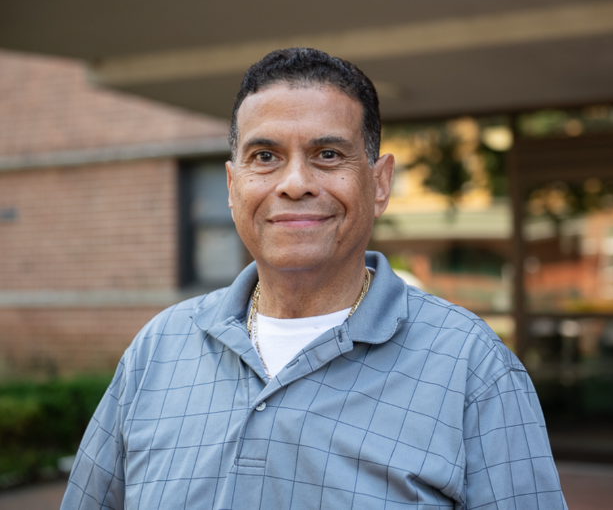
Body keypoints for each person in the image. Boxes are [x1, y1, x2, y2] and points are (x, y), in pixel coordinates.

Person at [61, 48, 567, 510]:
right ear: (233, 186)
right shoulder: (158, 350)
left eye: (328, 155)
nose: (295, 184)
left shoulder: (471, 367)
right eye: (265, 157)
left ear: (380, 183)